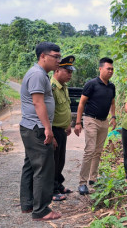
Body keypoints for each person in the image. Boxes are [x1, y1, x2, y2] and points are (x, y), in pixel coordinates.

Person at [19, 42, 61, 221]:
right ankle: (41, 210)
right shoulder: (37, 74)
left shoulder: (40, 74)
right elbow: (38, 103)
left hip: (31, 127)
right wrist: (48, 129)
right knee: (44, 168)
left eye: (59, 57)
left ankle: (28, 204)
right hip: (36, 128)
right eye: (55, 57)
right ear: (43, 56)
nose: (58, 60)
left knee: (31, 165)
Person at [74, 57, 117, 195]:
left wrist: (114, 117)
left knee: (98, 151)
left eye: (112, 69)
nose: (110, 71)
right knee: (90, 150)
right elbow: (81, 103)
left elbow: (112, 103)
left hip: (104, 122)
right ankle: (82, 182)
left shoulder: (112, 86)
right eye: (108, 68)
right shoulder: (91, 84)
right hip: (90, 119)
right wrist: (78, 122)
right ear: (100, 68)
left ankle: (93, 178)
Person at [50, 55, 76, 201]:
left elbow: (64, 108)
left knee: (60, 160)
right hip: (53, 129)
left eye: (71, 72)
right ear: (57, 70)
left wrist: (67, 125)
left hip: (61, 129)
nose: (70, 75)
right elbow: (48, 112)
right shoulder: (52, 88)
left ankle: (59, 184)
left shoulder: (63, 87)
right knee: (53, 161)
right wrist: (51, 134)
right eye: (67, 71)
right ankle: (52, 190)